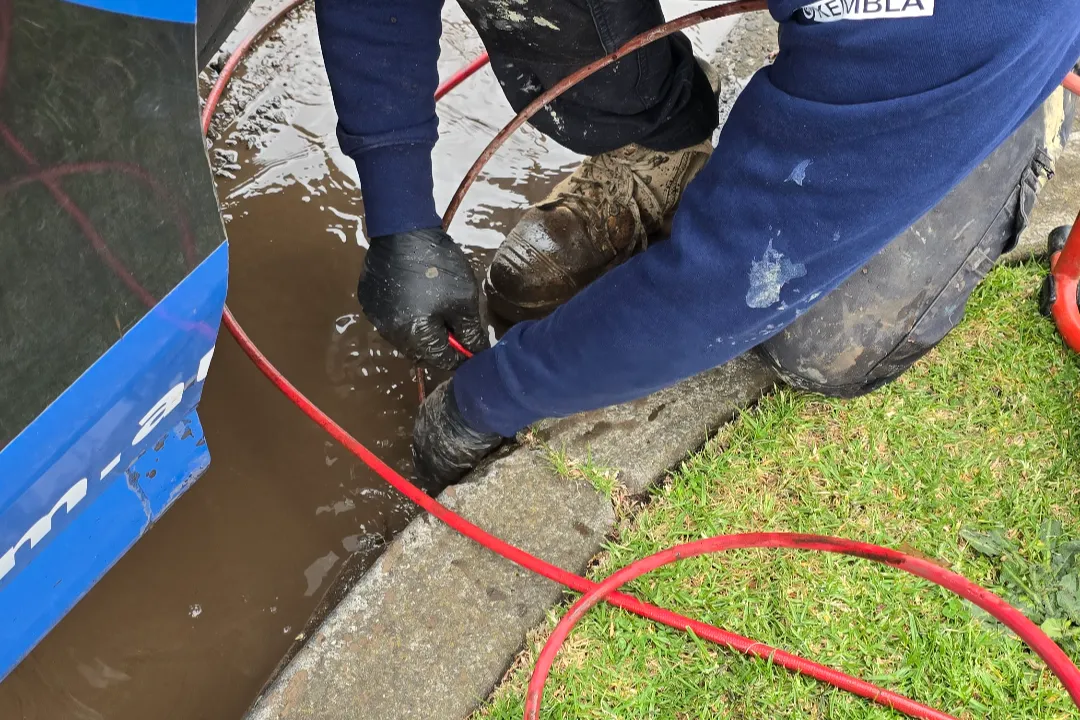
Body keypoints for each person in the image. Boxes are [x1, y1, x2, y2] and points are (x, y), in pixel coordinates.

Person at [316, 0, 1080, 488]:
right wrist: (400, 216)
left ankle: (1020, 117)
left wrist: (488, 400)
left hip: (981, 34)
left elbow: (737, 274)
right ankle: (662, 146)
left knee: (823, 341)